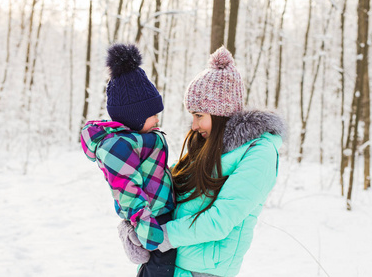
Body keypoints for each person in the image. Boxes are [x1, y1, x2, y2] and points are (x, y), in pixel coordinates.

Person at [121, 46, 286, 276]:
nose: (194, 126)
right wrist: (134, 225)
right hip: (166, 263)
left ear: (220, 113)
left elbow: (220, 220)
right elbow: (166, 192)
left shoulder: (260, 153)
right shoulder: (206, 144)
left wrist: (160, 236)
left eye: (199, 116)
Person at [80, 43, 176, 277]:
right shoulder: (118, 147)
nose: (157, 120)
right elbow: (128, 192)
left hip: (160, 214)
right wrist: (148, 230)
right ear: (133, 117)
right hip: (152, 221)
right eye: (151, 115)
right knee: (158, 271)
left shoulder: (139, 139)